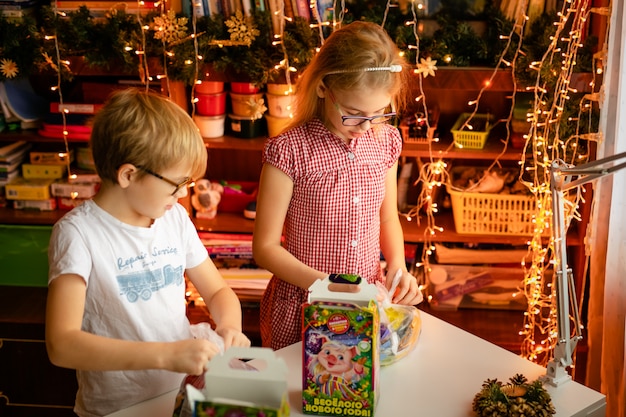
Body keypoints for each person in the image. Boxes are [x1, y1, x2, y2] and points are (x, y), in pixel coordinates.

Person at [45, 88, 251, 417]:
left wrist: (230, 327)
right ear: (128, 174)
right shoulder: (78, 234)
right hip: (117, 408)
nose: (184, 192)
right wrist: (165, 356)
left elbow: (218, 290)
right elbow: (61, 344)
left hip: (181, 394)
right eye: (176, 183)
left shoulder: (175, 219)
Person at [252, 21, 424, 351]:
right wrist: (331, 286)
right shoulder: (289, 150)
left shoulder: (385, 140)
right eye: (354, 114)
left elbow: (387, 219)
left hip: (368, 300)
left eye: (378, 113)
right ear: (322, 88)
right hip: (306, 302)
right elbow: (265, 248)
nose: (365, 126)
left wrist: (398, 269)